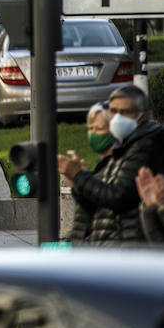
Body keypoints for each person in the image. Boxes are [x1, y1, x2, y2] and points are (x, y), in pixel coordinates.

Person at [58, 86, 164, 243]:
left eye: (124, 112)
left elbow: (118, 195)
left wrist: (78, 176)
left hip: (126, 246)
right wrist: (77, 184)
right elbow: (95, 205)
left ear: (141, 116)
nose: (116, 118)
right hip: (108, 246)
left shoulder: (145, 147)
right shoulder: (125, 148)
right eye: (113, 111)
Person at [65, 103, 121, 242]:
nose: (93, 134)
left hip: (107, 249)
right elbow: (84, 216)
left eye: (99, 129)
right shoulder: (101, 165)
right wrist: (77, 185)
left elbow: (106, 201)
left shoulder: (119, 165)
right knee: (47, 250)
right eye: (90, 129)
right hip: (91, 246)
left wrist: (80, 178)